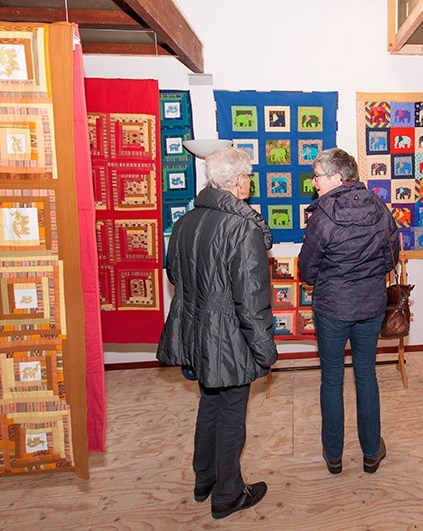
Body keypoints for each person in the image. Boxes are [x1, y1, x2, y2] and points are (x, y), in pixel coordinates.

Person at [157, 147, 278, 519]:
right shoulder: (242, 228)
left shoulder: (185, 222)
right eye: (249, 177)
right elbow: (251, 298)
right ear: (239, 182)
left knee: (209, 403)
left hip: (196, 332)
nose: (249, 183)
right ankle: (228, 493)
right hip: (228, 337)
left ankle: (204, 478)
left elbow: (174, 274)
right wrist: (264, 350)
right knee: (231, 414)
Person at [297, 148, 400, 475]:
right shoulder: (379, 207)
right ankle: (371, 452)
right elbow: (391, 258)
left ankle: (334, 456)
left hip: (332, 308)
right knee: (366, 375)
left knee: (332, 379)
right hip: (370, 304)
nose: (314, 183)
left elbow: (307, 269)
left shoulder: (323, 215)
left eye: (317, 176)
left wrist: (329, 278)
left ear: (337, 178)